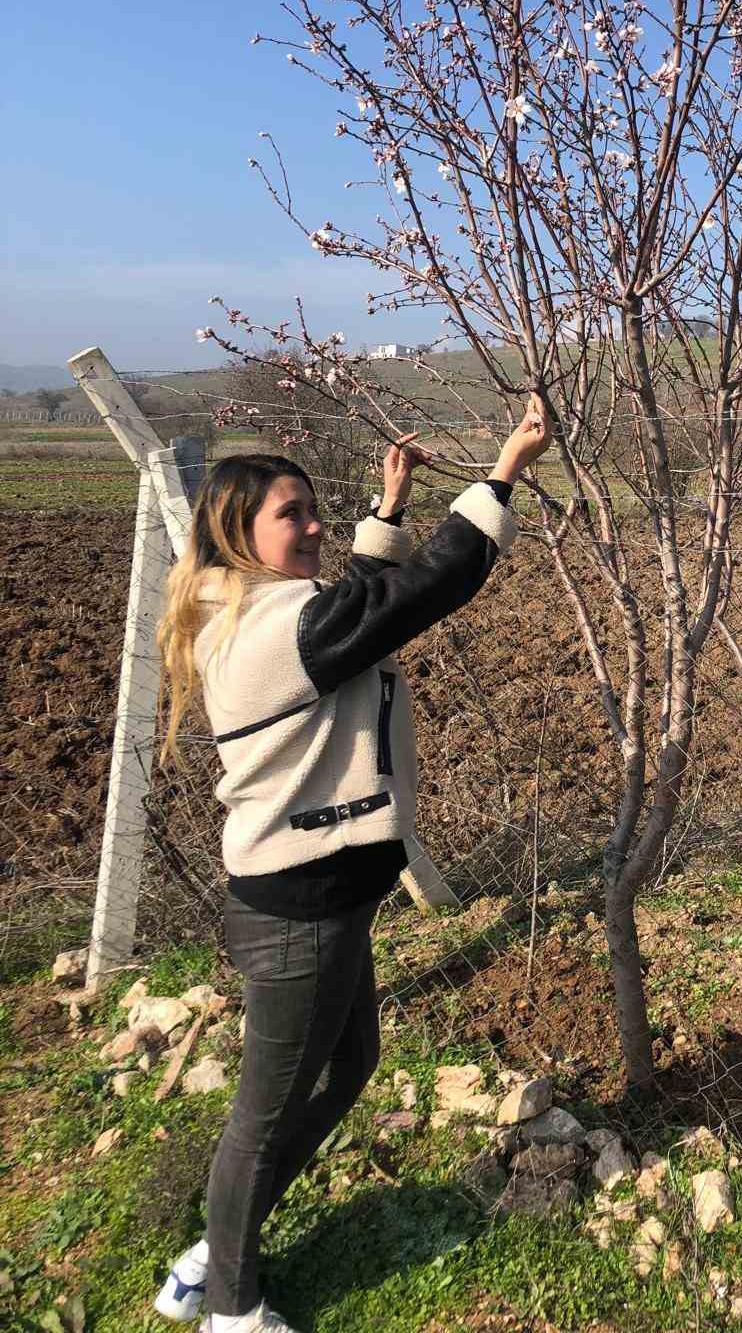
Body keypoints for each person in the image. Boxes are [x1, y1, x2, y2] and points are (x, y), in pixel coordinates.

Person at [152, 397, 550, 1333]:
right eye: (292, 514)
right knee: (265, 1111)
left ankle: (220, 1248)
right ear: (238, 535)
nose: (315, 524)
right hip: (300, 909)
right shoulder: (274, 626)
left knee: (349, 1066)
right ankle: (228, 1304)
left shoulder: (256, 610)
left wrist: (387, 510)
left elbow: (348, 611)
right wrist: (501, 475)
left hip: (319, 892)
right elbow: (405, 600)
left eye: (312, 507)